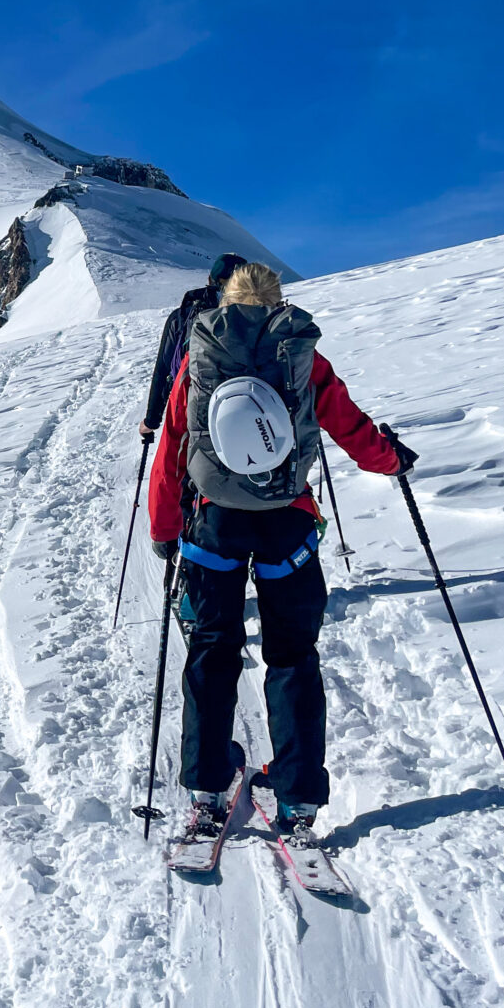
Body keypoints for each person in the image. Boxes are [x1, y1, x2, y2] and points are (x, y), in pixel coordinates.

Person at [144, 262, 416, 845]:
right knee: (293, 656)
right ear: (275, 302)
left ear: (226, 301)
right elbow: (352, 429)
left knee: (212, 651)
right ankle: (296, 799)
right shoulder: (303, 357)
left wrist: (165, 529)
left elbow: (173, 446)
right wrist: (391, 460)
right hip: (286, 526)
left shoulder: (201, 358)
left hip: (212, 523)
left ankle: (208, 789)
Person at [138, 253, 247, 443]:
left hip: (193, 411)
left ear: (210, 279)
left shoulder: (184, 316)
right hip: (251, 416)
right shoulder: (263, 317)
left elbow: (163, 370)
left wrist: (151, 421)